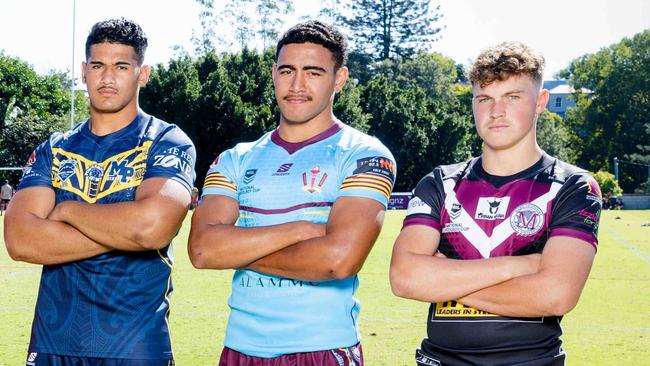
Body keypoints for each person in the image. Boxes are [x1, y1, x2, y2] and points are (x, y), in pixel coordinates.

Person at [189, 20, 396, 366]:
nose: (297, 85)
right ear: (274, 74)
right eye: (287, 71)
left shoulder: (364, 155)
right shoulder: (235, 158)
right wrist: (299, 231)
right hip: (240, 350)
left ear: (339, 78)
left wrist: (234, 249)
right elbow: (201, 250)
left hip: (322, 349)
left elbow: (337, 261)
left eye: (313, 73)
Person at [390, 42, 601, 366]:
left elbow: (556, 294)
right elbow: (405, 278)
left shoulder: (573, 186)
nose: (496, 111)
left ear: (540, 102)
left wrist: (442, 281)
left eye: (512, 97)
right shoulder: (440, 183)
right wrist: (521, 266)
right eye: (484, 98)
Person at [4, 18, 195, 365]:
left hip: (136, 345)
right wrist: (124, 227)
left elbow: (152, 227)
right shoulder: (55, 149)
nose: (107, 78)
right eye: (98, 65)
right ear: (83, 71)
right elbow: (20, 240)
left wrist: (67, 212)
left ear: (143, 73)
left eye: (121, 66)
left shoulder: (165, 141)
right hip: (53, 343)